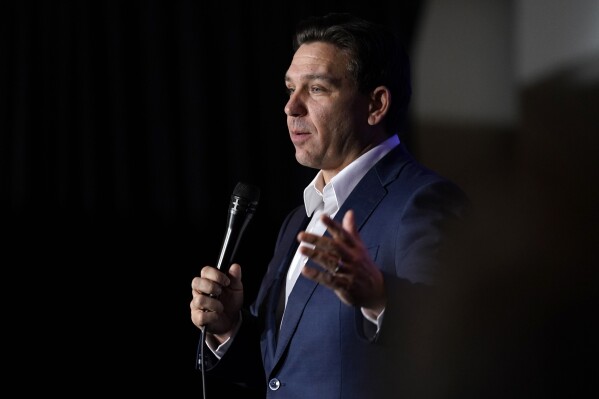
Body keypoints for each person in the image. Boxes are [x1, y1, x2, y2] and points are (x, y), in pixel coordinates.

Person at [190, 12, 469, 399]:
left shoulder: (423, 201)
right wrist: (228, 328)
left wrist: (378, 297)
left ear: (375, 105)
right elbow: (282, 372)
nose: (291, 108)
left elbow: (458, 343)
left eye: (317, 89)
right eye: (290, 89)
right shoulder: (297, 221)